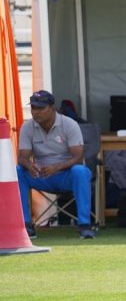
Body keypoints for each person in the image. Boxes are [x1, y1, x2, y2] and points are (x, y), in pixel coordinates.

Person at [16, 90, 96, 239]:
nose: (36, 112)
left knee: (80, 171)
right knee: (18, 171)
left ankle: (85, 225)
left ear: (53, 108)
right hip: (42, 175)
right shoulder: (27, 127)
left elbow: (78, 157)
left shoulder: (69, 124)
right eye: (33, 107)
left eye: (41, 108)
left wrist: (57, 167)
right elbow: (22, 158)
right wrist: (29, 165)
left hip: (66, 176)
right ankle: (25, 225)